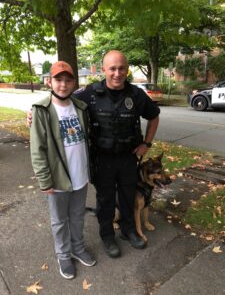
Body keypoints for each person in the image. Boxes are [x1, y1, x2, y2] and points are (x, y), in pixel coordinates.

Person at [75, 50, 160, 258]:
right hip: (102, 159)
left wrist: (147, 144)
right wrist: (37, 111)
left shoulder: (137, 95)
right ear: (103, 69)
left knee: (127, 196)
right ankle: (107, 236)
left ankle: (128, 230)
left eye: (121, 68)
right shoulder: (89, 93)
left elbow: (154, 116)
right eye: (112, 68)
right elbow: (62, 98)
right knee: (105, 200)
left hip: (128, 158)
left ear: (127, 69)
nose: (117, 73)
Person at [30, 61, 96, 280]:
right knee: (59, 220)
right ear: (50, 81)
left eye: (68, 80)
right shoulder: (41, 110)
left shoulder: (80, 107)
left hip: (80, 175)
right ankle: (63, 254)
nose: (63, 84)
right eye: (58, 79)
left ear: (74, 83)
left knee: (77, 216)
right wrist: (44, 180)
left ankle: (77, 248)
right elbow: (37, 148)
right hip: (58, 179)